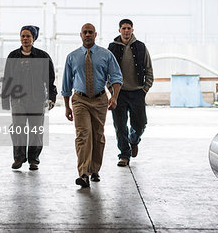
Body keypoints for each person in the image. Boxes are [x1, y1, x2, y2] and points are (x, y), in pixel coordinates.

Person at [62, 23, 122, 187]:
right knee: (83, 135)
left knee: (97, 135)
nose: (87, 35)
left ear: (95, 35)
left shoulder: (106, 55)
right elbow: (66, 84)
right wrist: (67, 106)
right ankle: (83, 173)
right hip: (80, 100)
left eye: (90, 32)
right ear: (80, 35)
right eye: (84, 32)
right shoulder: (72, 57)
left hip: (99, 100)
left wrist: (114, 97)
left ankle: (95, 169)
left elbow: (116, 77)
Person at [2, 25, 57, 171]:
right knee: (18, 129)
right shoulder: (13, 56)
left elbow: (50, 79)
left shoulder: (42, 56)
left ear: (33, 38)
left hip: (37, 100)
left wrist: (52, 97)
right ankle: (19, 159)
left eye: (28, 36)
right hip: (18, 100)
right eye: (23, 36)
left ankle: (34, 160)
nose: (25, 39)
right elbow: (7, 78)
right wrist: (5, 100)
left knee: (36, 130)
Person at [108, 19, 154, 167]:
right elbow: (106, 70)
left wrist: (145, 89)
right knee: (120, 126)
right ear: (119, 30)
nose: (126, 31)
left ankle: (134, 140)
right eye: (123, 28)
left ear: (132, 30)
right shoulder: (112, 47)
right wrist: (111, 89)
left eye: (129, 28)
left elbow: (148, 69)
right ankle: (124, 155)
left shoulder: (140, 47)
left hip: (137, 92)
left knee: (140, 124)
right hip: (119, 94)